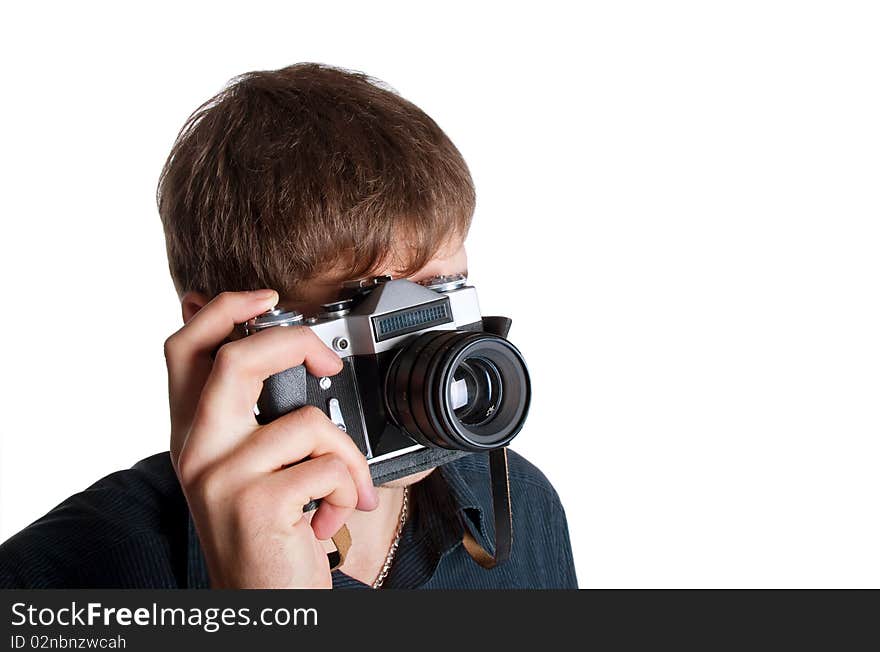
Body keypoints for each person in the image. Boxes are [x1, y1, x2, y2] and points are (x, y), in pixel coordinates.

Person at [0, 63, 577, 589]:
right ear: (224, 332)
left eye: (441, 292)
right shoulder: (53, 579)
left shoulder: (522, 508)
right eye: (362, 310)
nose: (425, 358)